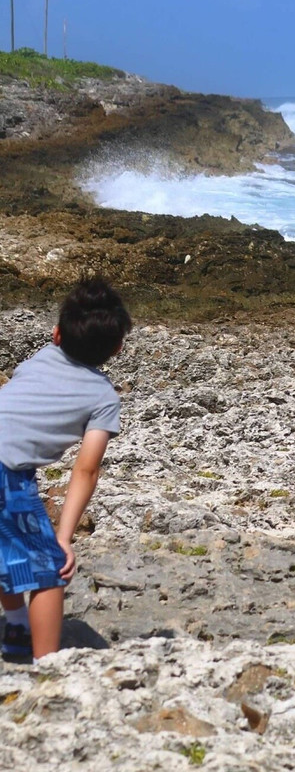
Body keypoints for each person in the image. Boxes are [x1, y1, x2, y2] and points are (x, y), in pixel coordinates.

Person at [0, 278, 131, 661]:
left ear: (55, 334)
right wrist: (64, 536)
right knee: (49, 570)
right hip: (7, 473)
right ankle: (48, 669)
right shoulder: (104, 398)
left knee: (8, 549)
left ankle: (18, 624)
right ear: (118, 348)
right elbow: (86, 471)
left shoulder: (36, 359)